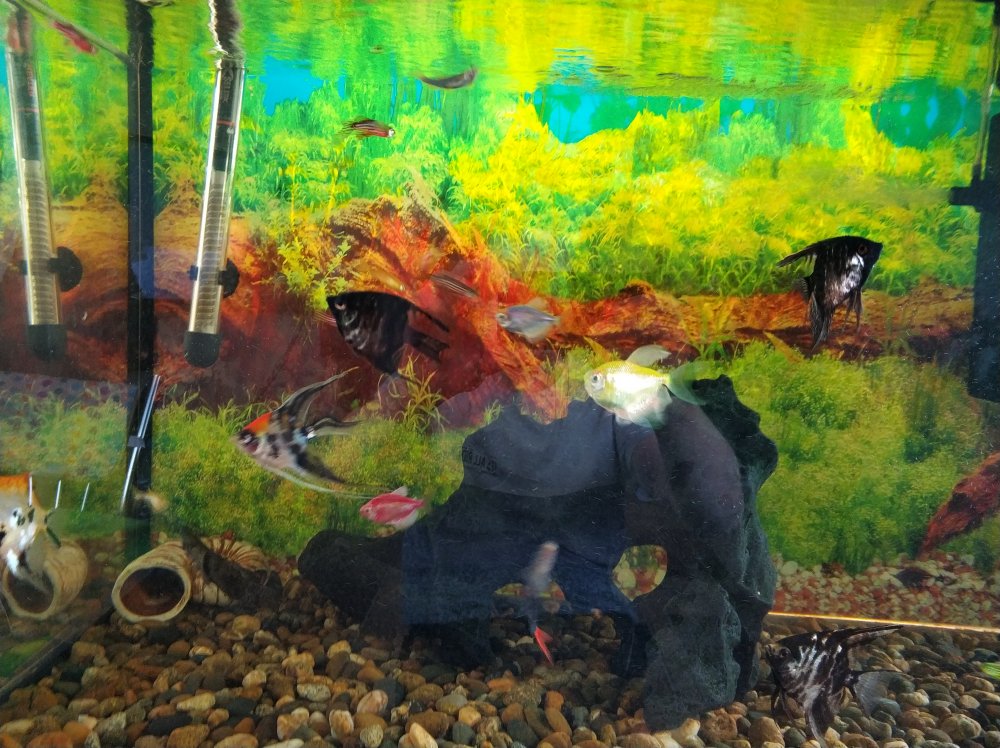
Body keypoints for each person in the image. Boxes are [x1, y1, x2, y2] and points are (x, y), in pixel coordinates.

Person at [299, 374, 777, 729]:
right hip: (487, 514)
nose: (546, 381)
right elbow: (441, 420)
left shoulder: (619, 405)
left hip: (587, 526)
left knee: (648, 612)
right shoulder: (495, 387)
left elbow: (685, 483)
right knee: (340, 561)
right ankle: (442, 611)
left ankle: (457, 610)